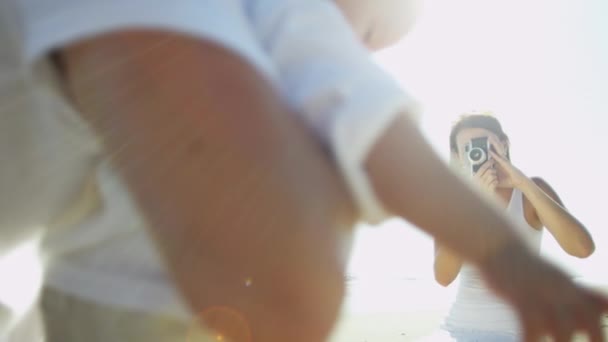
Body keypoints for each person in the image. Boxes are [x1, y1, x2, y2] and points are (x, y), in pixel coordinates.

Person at [0, 0, 606, 341]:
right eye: (374, 30)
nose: (369, 53)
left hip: (115, 280)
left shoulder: (305, 33)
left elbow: (386, 136)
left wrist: (512, 255)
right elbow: (391, 150)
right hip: (108, 297)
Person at [433, 113, 596, 341]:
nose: (478, 152)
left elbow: (582, 248)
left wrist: (523, 183)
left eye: (484, 144)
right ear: (460, 157)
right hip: (457, 330)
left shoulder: (531, 192)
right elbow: (443, 276)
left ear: (504, 144)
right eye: (468, 148)